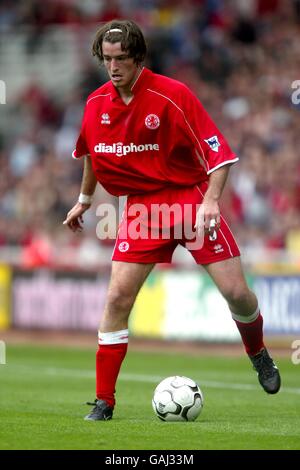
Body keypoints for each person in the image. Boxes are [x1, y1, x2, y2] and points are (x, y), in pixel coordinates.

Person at [63, 19, 281, 421]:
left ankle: (258, 352)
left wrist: (212, 201)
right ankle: (104, 401)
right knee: (116, 299)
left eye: (121, 59)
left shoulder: (173, 94)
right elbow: (91, 152)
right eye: (107, 59)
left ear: (139, 57)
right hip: (143, 209)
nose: (113, 67)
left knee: (237, 294)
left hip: (190, 199)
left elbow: (219, 154)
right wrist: (84, 199)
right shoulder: (95, 104)